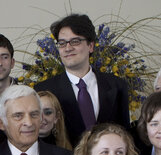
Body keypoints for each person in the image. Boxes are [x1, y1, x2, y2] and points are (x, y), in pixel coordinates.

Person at [35, 14, 130, 147]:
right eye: (62, 43)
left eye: (75, 41)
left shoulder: (117, 85)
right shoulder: (44, 89)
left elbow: (126, 135)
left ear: (90, 46)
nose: (68, 48)